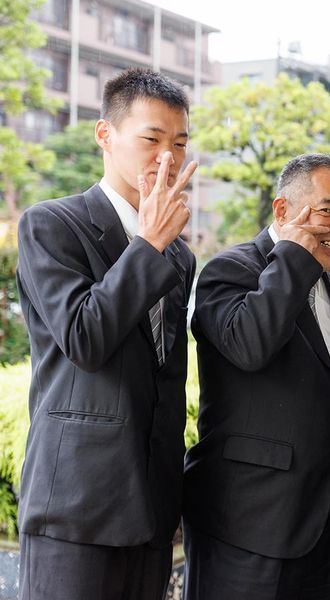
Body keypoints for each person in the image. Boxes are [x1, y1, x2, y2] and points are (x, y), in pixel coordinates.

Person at [15, 68, 197, 600]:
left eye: (180, 143)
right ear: (105, 135)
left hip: (154, 506)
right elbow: (85, 339)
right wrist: (148, 244)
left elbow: (165, 374)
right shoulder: (51, 225)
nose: (169, 157)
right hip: (76, 504)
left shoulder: (179, 255)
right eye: (152, 140)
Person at [182, 153, 330, 600]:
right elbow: (250, 345)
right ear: (283, 211)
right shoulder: (230, 270)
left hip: (325, 521)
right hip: (247, 521)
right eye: (326, 211)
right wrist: (293, 258)